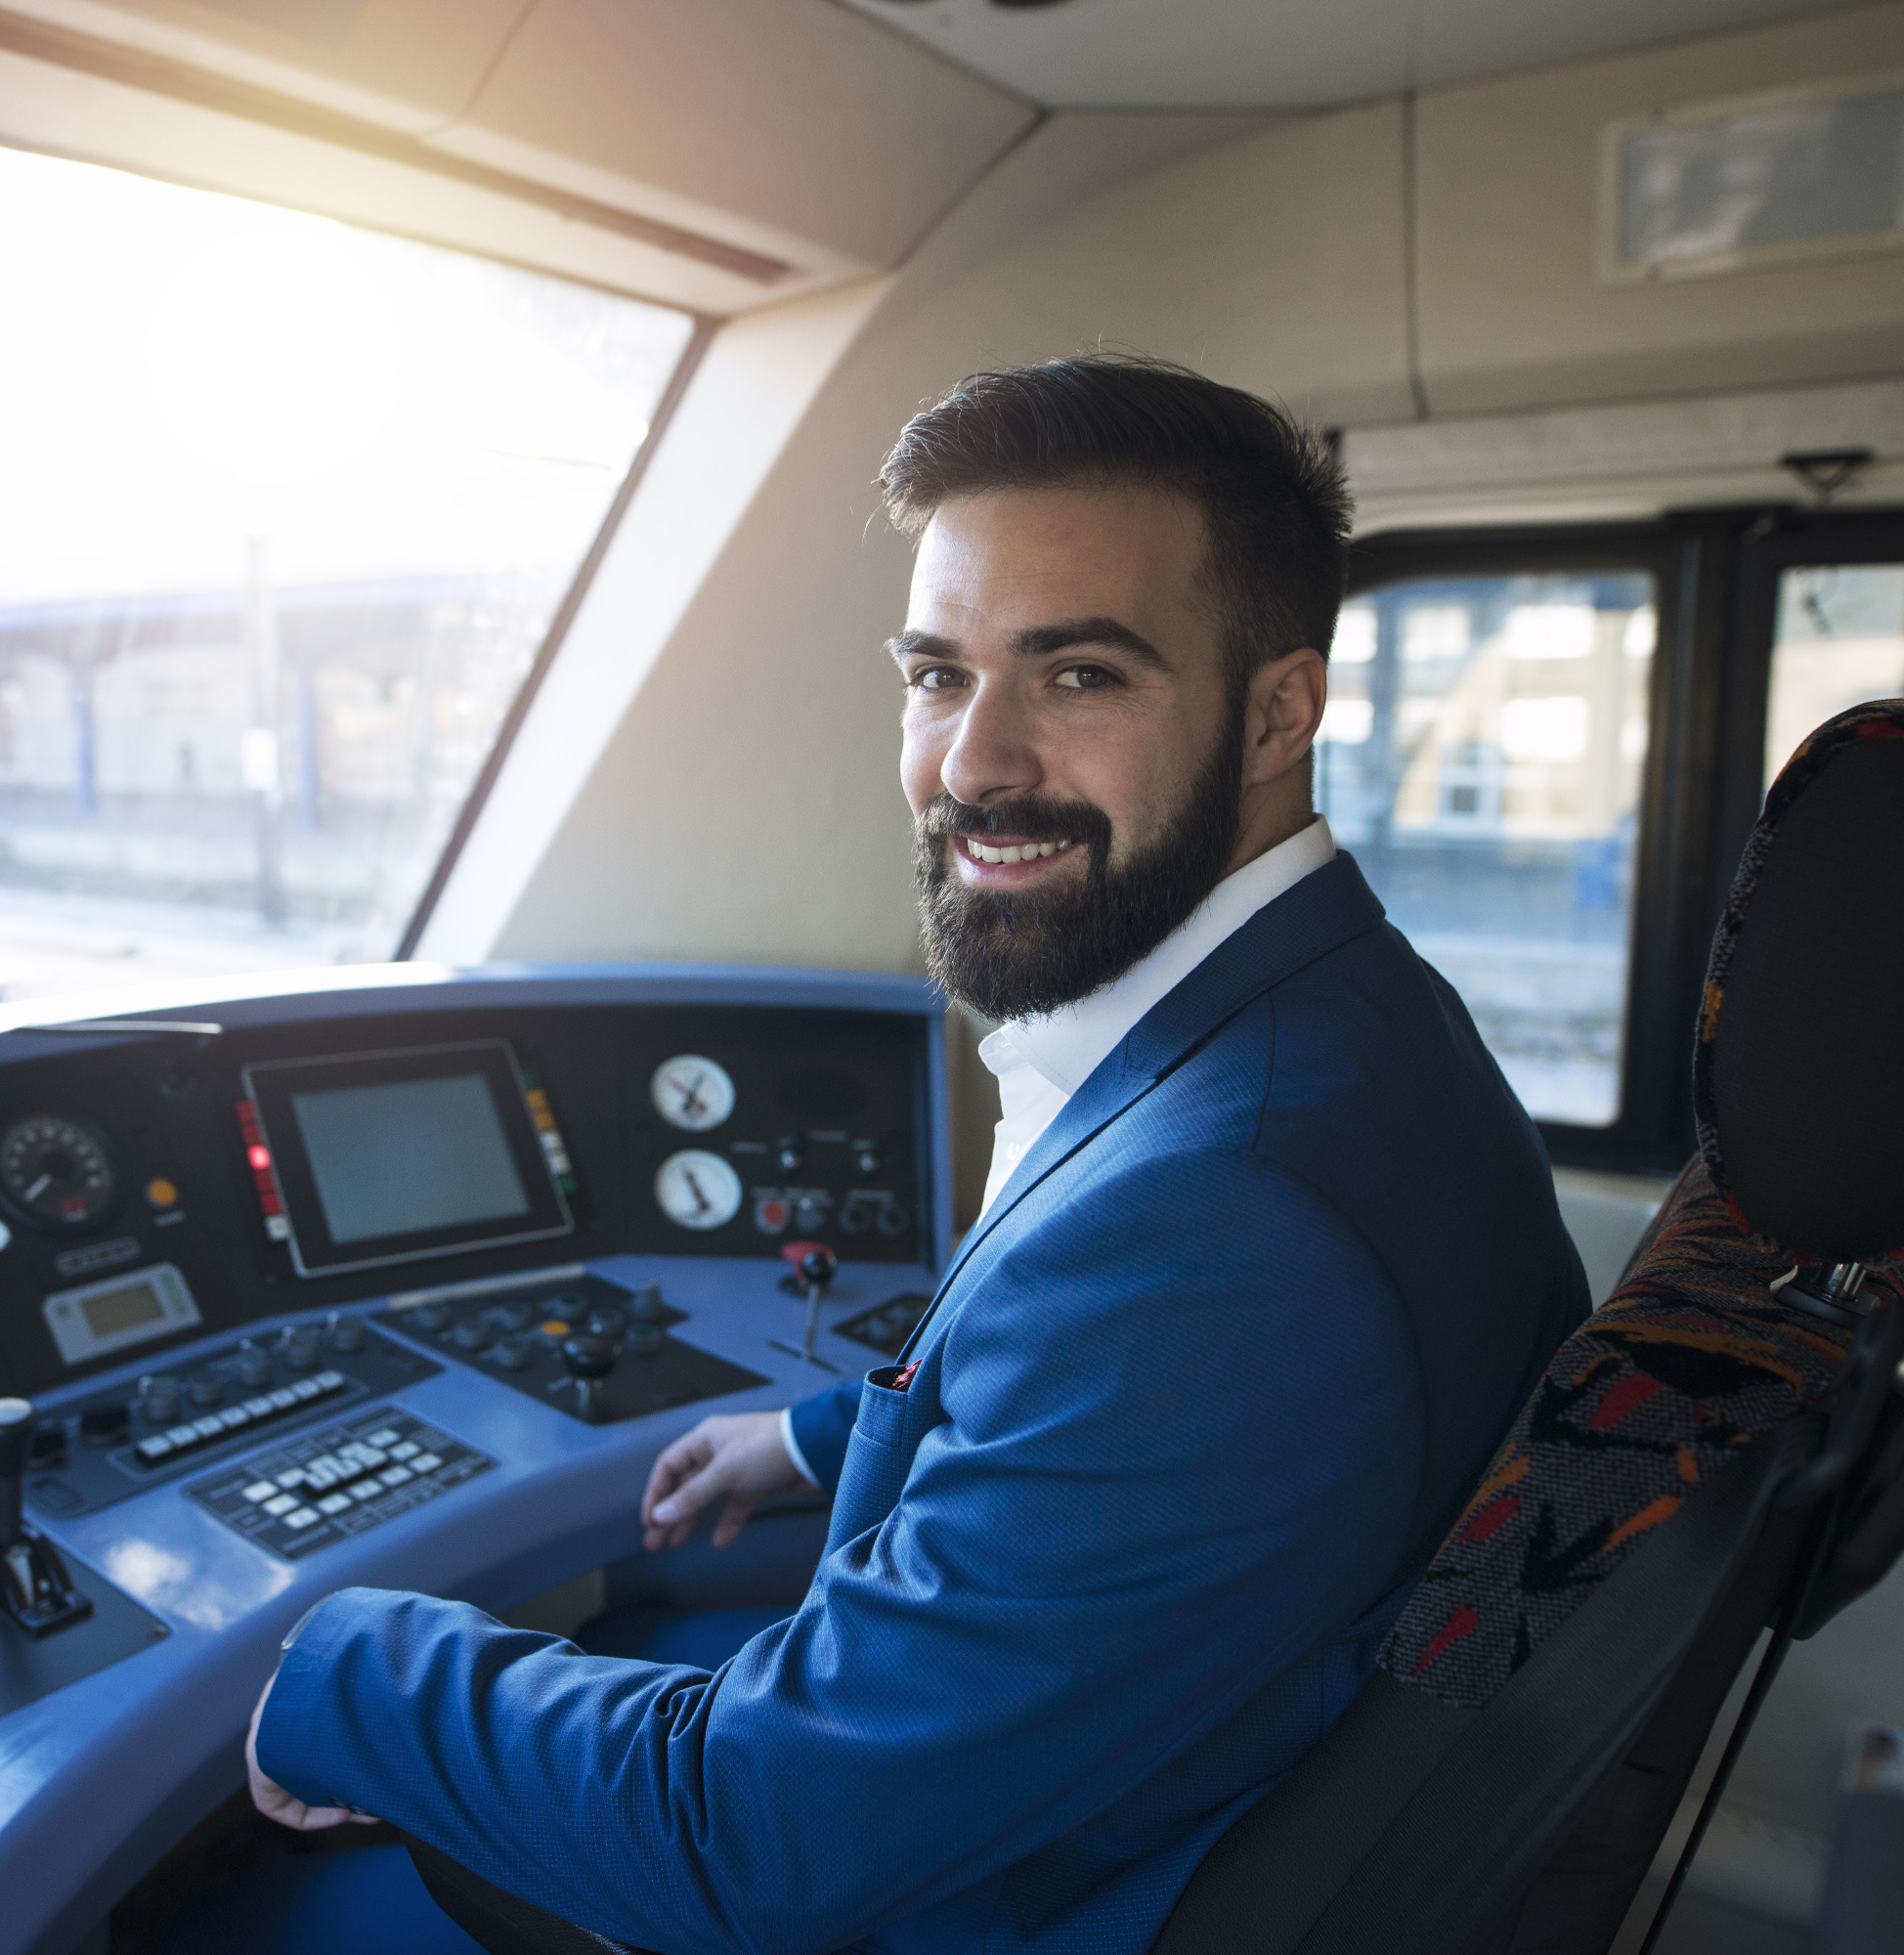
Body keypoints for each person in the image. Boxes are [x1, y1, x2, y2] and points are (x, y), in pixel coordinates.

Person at [170, 356, 1590, 1955]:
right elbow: (1111, 1415)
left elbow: (745, 1842)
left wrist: (339, 1664)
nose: (974, 763)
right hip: (1165, 1786)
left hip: (1011, 1896)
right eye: (937, 674)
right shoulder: (1358, 1015)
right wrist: (824, 1434)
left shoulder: (1223, 1225)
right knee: (645, 1622)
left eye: (1079, 677)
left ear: (1278, 710)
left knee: (230, 1921)